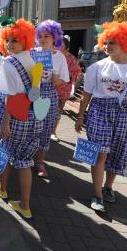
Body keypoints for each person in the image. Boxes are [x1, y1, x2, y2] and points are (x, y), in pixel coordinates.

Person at [76, 21, 127, 212]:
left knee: (118, 153)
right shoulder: (96, 68)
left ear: (126, 42)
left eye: (112, 42)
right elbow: (86, 94)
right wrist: (81, 116)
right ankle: (97, 195)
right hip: (99, 111)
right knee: (100, 153)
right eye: (106, 42)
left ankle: (108, 187)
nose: (107, 46)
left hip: (126, 112)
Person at [0, 18, 42, 219]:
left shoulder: (9, 63)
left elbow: (11, 96)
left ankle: (3, 189)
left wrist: (5, 122)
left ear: (25, 40)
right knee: (24, 161)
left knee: (4, 152)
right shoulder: (32, 60)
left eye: (15, 40)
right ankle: (25, 205)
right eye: (8, 40)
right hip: (32, 117)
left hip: (13, 116)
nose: (10, 44)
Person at [33, 20, 69, 178]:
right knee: (30, 126)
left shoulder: (59, 57)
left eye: (47, 35)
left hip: (48, 94)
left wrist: (56, 78)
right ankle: (26, 157)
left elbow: (65, 79)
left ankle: (40, 162)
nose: (43, 39)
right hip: (32, 92)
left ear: (55, 37)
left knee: (46, 128)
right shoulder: (32, 52)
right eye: (40, 36)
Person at [51, 35, 81, 141]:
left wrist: (65, 77)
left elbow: (76, 72)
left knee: (58, 111)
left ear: (66, 46)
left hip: (63, 89)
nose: (59, 46)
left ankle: (53, 131)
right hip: (50, 88)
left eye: (61, 44)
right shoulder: (51, 55)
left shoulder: (71, 58)